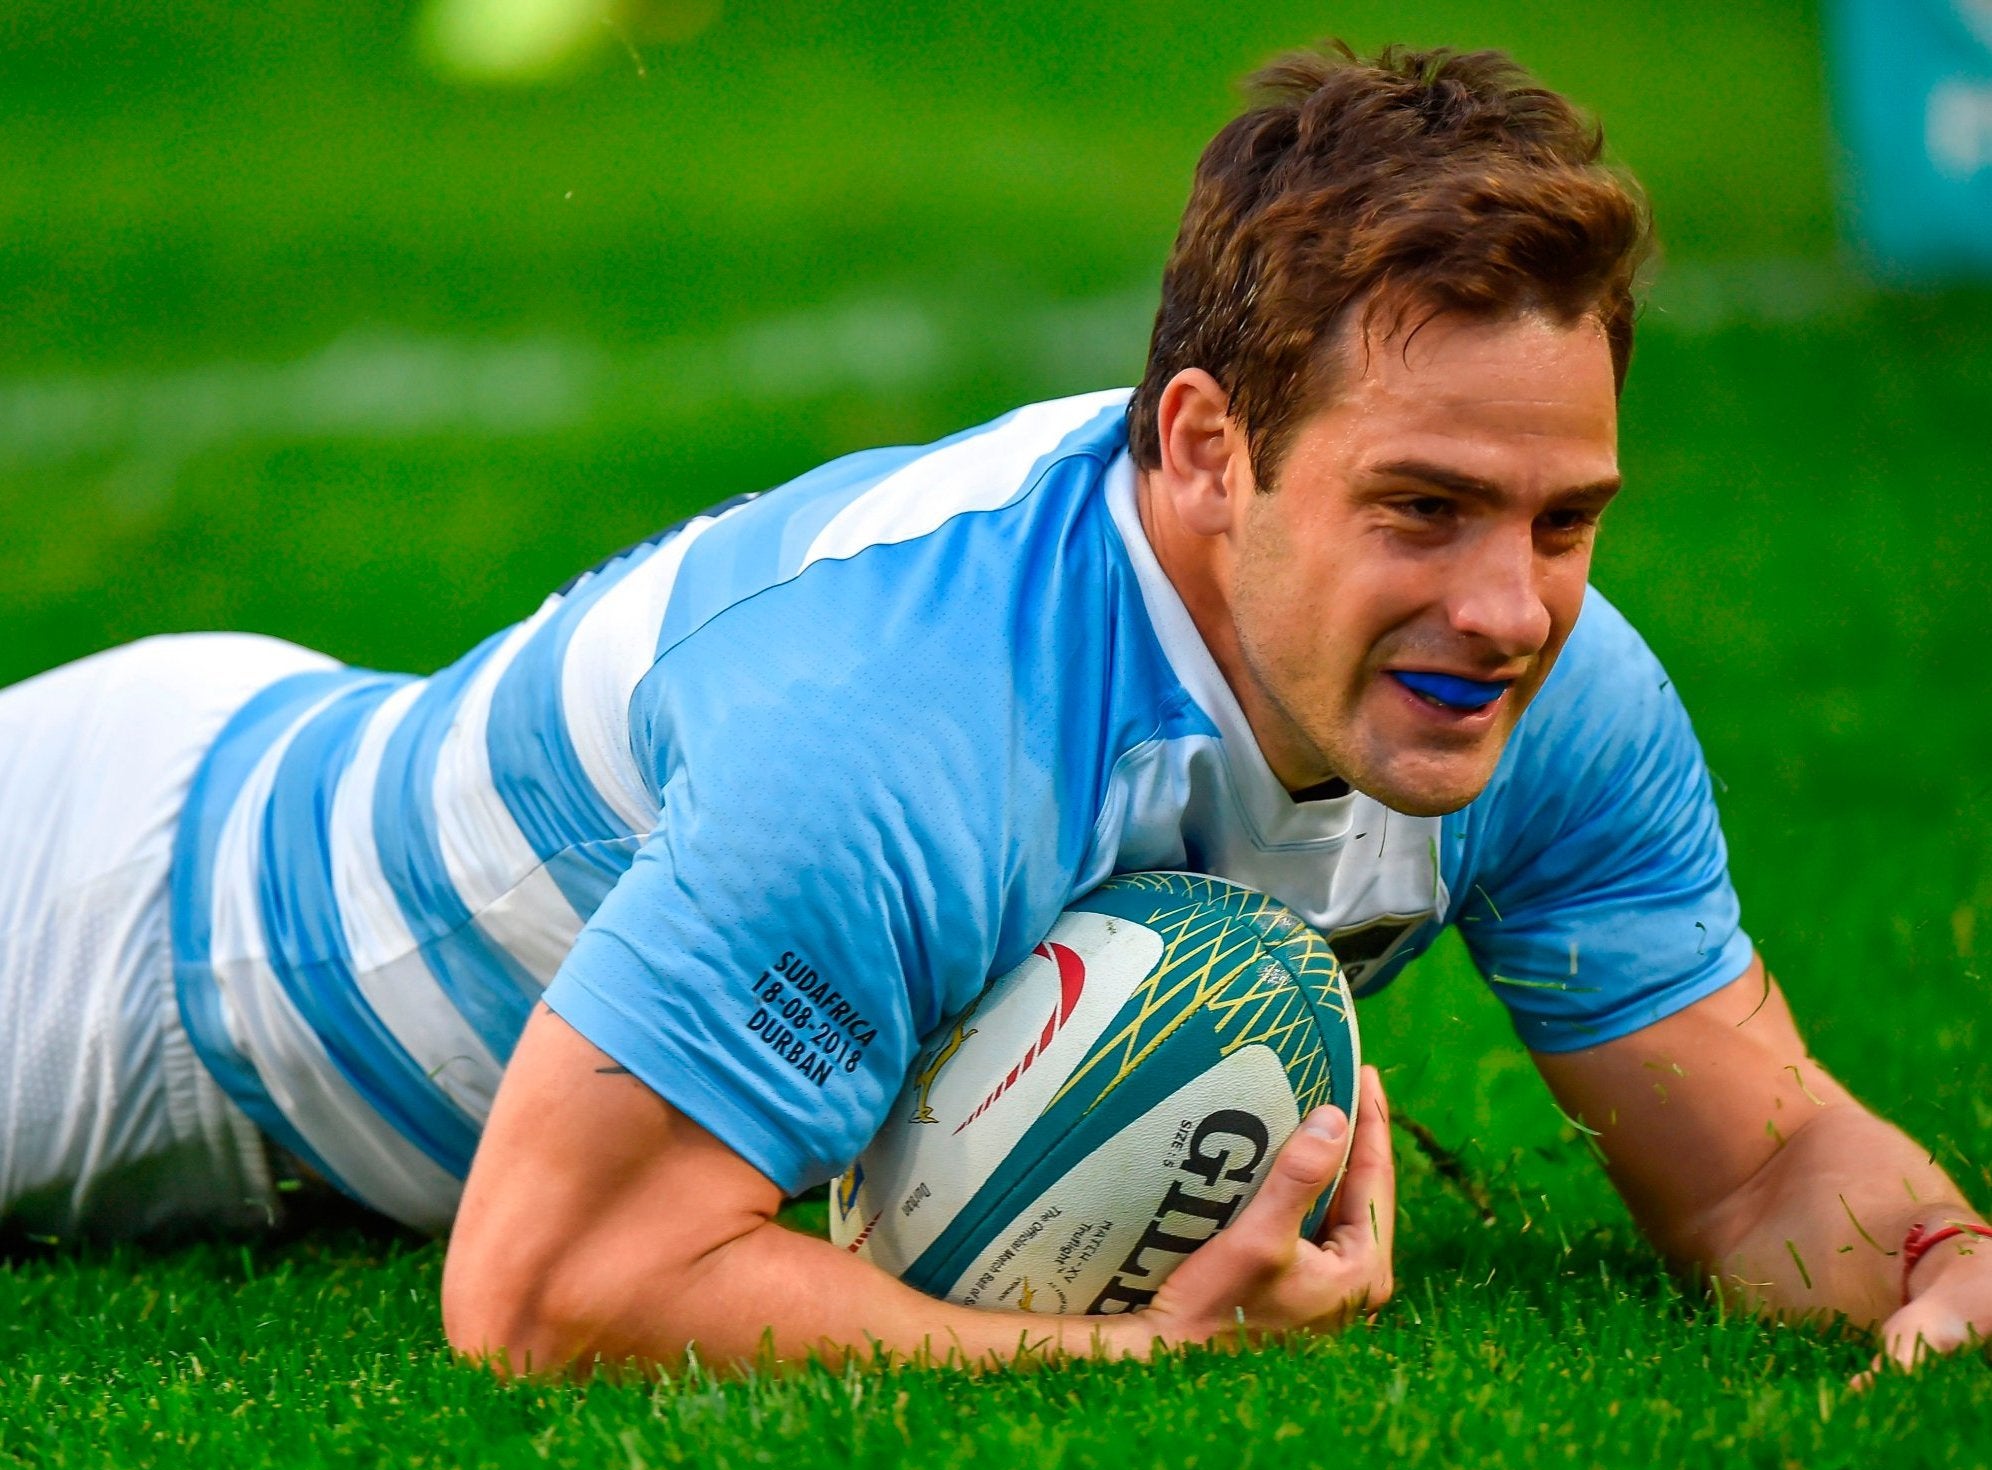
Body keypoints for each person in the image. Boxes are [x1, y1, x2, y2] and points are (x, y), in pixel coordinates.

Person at [1, 42, 1985, 1380]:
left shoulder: (1552, 693)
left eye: (1565, 519)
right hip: (110, 944)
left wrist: (1932, 1257)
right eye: (1426, 508)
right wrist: (1125, 1355)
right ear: (1205, 450)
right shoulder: (908, 730)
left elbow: (1754, 1164)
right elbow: (539, 1287)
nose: (1510, 604)